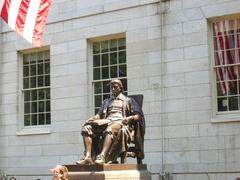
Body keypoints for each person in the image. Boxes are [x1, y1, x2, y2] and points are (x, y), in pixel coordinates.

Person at [76, 79, 145, 164]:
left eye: (115, 87)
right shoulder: (106, 101)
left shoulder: (129, 100)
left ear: (121, 88)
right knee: (86, 128)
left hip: (120, 122)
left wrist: (128, 118)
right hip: (106, 121)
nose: (113, 89)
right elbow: (99, 115)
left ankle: (102, 156)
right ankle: (88, 157)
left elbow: (139, 116)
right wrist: (93, 118)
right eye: (111, 87)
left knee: (110, 129)